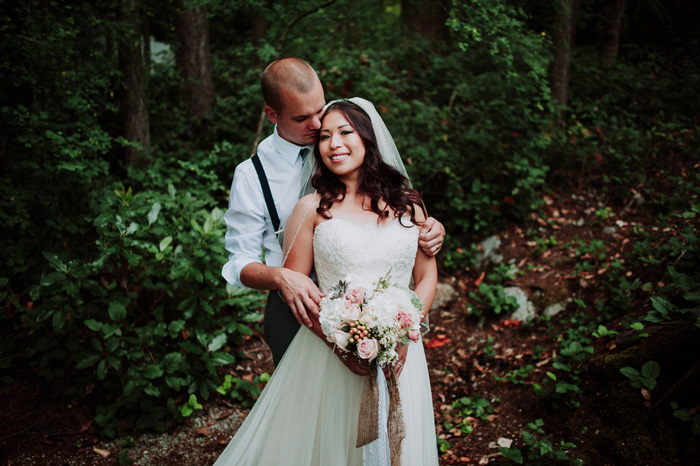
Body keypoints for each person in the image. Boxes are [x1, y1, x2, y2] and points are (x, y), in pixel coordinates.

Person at [213, 98, 439, 466]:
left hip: (401, 350)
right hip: (330, 353)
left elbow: (426, 276)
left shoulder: (409, 205)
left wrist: (405, 332)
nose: (334, 144)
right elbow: (296, 289)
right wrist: (341, 345)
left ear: (367, 138)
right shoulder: (309, 209)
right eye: (325, 137)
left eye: (346, 132)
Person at [222, 58, 445, 368]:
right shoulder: (252, 175)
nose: (317, 126)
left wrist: (428, 229)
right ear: (272, 114)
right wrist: (281, 276)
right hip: (295, 310)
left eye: (320, 110)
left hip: (376, 314)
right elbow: (238, 261)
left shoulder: (339, 142)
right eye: (303, 118)